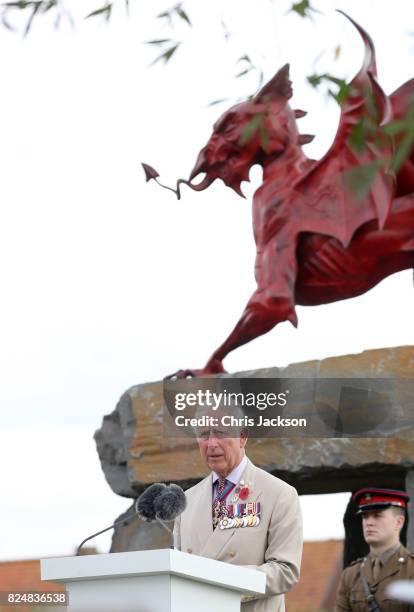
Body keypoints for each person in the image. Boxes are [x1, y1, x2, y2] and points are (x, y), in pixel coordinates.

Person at [173, 413, 303, 612]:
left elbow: (285, 572)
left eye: (221, 433)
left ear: (242, 437)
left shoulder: (279, 494)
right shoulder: (186, 501)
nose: (212, 443)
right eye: (204, 434)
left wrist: (219, 583)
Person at [335, 488, 414, 611]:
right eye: (365, 516)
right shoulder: (350, 575)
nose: (369, 522)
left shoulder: (411, 569)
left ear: (399, 522)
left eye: (377, 515)